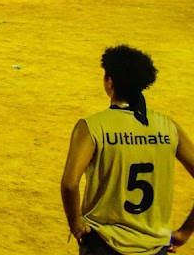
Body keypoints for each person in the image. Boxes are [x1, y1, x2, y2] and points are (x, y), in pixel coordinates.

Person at [61, 45, 194, 255]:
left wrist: (76, 226)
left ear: (109, 81)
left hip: (104, 244)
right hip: (154, 247)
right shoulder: (169, 127)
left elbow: (70, 184)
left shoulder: (92, 126)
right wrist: (185, 232)